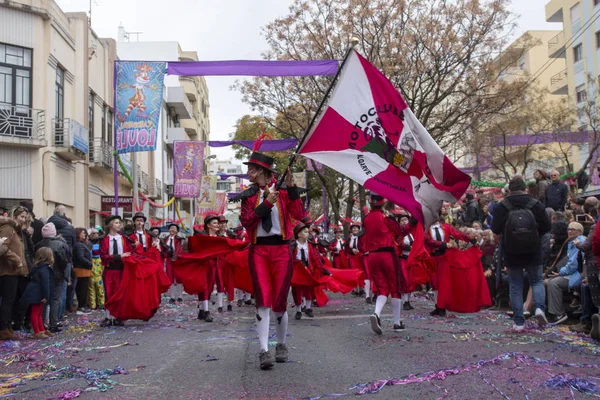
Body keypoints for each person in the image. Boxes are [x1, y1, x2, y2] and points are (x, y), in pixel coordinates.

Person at [238, 140, 305, 370]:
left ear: (263, 172)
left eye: (252, 169)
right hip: (259, 251)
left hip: (282, 251)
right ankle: (264, 350)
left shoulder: (284, 193)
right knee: (263, 300)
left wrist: (292, 188)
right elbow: (247, 221)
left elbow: (300, 215)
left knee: (279, 301)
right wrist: (266, 204)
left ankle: (282, 344)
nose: (248, 172)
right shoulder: (248, 196)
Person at [491, 176, 551, 331]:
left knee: (515, 286)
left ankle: (519, 322)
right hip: (533, 248)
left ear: (509, 189)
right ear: (525, 188)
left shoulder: (503, 205)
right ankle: (539, 308)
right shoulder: (535, 203)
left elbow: (495, 228)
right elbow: (546, 226)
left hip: (511, 250)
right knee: (536, 281)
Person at [364, 194, 414, 335]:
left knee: (382, 288)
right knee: (395, 288)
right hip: (387, 254)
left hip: (372, 256)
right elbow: (402, 231)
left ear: (370, 202)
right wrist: (414, 220)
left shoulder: (366, 218)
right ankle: (397, 323)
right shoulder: (386, 218)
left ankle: (377, 314)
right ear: (383, 202)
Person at [425, 214, 474, 316]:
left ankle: (441, 306)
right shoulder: (426, 228)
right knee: (434, 283)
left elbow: (457, 233)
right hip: (432, 257)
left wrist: (470, 239)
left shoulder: (445, 227)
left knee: (442, 281)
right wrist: (443, 244)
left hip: (443, 257)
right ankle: (437, 305)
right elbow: (428, 240)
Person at [545, 222, 585, 324]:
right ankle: (549, 311)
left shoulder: (578, 242)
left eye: (573, 229)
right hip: (572, 273)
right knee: (546, 281)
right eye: (569, 229)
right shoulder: (570, 242)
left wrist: (560, 273)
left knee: (554, 283)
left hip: (578, 275)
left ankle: (558, 313)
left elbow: (573, 264)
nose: (570, 231)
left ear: (580, 232)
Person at [35, 222, 71, 333]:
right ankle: (53, 323)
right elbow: (64, 261)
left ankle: (42, 324)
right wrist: (65, 274)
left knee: (44, 300)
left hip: (42, 275)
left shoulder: (39, 244)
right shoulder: (60, 244)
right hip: (57, 275)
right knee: (55, 299)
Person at [0, 206, 28, 340]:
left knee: (11, 301)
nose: (23, 220)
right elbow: (1, 247)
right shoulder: (8, 228)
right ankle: (3, 328)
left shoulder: (17, 231)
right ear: (14, 216)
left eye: (25, 217)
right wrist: (16, 259)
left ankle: (7, 326)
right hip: (7, 271)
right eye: (21, 216)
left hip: (14, 271)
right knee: (7, 300)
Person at [99, 215, 133, 327]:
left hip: (121, 270)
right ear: (110, 225)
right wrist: (119, 256)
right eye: (117, 223)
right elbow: (104, 256)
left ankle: (118, 317)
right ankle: (108, 317)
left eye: (120, 223)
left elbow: (130, 252)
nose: (119, 225)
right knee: (109, 294)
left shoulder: (124, 239)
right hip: (109, 270)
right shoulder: (104, 240)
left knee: (120, 294)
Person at [20, 247, 54, 339]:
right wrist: (46, 296)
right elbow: (45, 283)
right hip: (37, 293)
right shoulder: (44, 269)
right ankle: (37, 331)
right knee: (36, 312)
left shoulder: (38, 267)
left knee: (38, 311)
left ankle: (41, 329)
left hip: (35, 292)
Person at [73, 228, 92, 314]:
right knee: (82, 289)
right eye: (83, 233)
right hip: (82, 269)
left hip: (82, 268)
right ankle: (82, 305)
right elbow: (80, 257)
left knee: (82, 288)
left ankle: (82, 305)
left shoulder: (80, 244)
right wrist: (89, 263)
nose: (84, 234)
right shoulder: (79, 245)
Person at [165, 223, 183, 303]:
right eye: (171, 228)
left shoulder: (179, 239)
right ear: (169, 229)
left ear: (177, 231)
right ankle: (172, 297)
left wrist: (175, 256)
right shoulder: (165, 239)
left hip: (178, 260)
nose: (172, 230)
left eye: (174, 228)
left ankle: (180, 296)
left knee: (179, 278)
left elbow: (179, 249)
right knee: (170, 277)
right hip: (169, 260)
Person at [88, 229, 105, 311]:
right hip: (92, 271)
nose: (96, 235)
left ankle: (101, 304)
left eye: (97, 233)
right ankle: (93, 305)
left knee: (99, 289)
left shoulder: (100, 243)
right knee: (92, 289)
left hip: (98, 272)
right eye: (94, 233)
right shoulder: (88, 244)